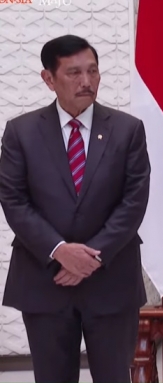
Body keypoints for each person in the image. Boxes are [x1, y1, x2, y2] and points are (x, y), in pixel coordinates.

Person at [0, 35, 150, 383]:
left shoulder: (127, 130)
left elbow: (134, 199)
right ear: (48, 79)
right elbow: (14, 199)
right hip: (45, 278)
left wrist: (91, 257)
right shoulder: (21, 132)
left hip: (111, 279)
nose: (86, 81)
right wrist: (59, 251)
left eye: (92, 71)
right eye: (73, 73)